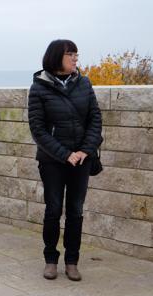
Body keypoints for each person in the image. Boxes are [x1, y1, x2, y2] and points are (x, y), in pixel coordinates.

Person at [28, 39, 103, 281]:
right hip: (53, 161)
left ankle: (72, 261)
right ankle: (51, 259)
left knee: (76, 211)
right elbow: (38, 130)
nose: (75, 59)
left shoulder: (84, 83)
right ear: (56, 57)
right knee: (53, 210)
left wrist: (84, 151)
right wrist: (65, 154)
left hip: (82, 159)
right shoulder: (39, 87)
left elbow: (95, 119)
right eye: (70, 54)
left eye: (76, 55)